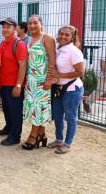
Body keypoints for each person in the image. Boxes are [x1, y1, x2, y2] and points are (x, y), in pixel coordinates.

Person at [48, 25, 84, 154]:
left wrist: (59, 75)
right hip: (58, 88)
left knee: (70, 117)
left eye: (67, 35)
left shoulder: (74, 51)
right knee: (57, 116)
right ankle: (59, 140)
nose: (63, 36)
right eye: (61, 33)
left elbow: (80, 72)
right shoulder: (58, 48)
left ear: (72, 37)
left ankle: (67, 144)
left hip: (72, 90)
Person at [22, 15, 56, 150]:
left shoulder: (46, 38)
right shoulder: (29, 39)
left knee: (38, 107)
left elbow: (53, 59)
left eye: (35, 23)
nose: (32, 26)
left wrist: (49, 79)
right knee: (35, 107)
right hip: (31, 80)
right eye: (30, 23)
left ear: (41, 24)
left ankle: (33, 136)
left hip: (42, 80)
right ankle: (42, 134)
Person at [0, 17, 28, 146]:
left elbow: (23, 66)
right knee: (6, 108)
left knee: (15, 111)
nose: (5, 29)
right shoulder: (2, 43)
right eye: (3, 27)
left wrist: (18, 85)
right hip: (3, 83)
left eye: (8, 27)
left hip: (13, 84)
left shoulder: (19, 44)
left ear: (15, 29)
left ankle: (15, 136)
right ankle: (9, 128)